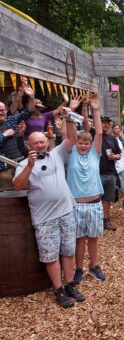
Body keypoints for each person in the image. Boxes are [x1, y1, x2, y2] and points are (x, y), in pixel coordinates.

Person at [13, 109, 85, 308]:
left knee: (69, 251)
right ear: (29, 144)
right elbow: (18, 186)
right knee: (50, 255)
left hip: (66, 212)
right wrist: (29, 166)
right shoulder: (23, 164)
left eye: (42, 141)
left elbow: (71, 138)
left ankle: (70, 284)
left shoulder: (56, 154)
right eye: (35, 142)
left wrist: (70, 118)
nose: (40, 145)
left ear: (47, 142)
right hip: (44, 218)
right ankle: (58, 289)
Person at [66, 95, 106, 284]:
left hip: (94, 203)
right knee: (79, 239)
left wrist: (96, 110)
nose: (83, 145)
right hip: (76, 204)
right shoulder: (71, 152)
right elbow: (69, 134)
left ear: (90, 144)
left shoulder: (94, 154)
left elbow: (98, 133)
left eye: (85, 143)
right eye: (80, 142)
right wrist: (72, 110)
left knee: (93, 238)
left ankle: (94, 266)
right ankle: (79, 268)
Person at [0, 82, 35, 189]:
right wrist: (4, 135)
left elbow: (29, 111)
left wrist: (31, 97)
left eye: (3, 110)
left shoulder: (11, 120)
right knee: (8, 198)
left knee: (25, 193)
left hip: (21, 164)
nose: (2, 113)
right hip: (4, 170)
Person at [99, 116, 121, 231]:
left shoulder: (112, 138)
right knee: (96, 198)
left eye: (107, 123)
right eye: (103, 123)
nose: (106, 125)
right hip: (96, 173)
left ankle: (106, 220)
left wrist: (114, 156)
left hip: (110, 172)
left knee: (107, 198)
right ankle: (96, 221)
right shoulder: (94, 135)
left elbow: (119, 154)